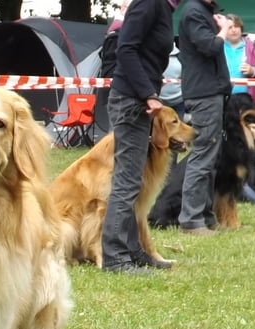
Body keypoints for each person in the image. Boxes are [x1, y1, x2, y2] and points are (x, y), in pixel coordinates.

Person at [100, 0, 181, 274]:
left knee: (133, 182)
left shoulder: (165, 7)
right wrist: (148, 93)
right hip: (131, 101)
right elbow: (125, 48)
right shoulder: (149, 3)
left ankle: (133, 250)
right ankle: (115, 257)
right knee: (127, 182)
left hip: (138, 101)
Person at [177, 0, 232, 236]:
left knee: (210, 157)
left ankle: (206, 217)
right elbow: (209, 46)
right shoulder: (194, 12)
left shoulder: (203, 11)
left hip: (210, 92)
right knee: (202, 156)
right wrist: (224, 30)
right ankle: (191, 220)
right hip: (204, 94)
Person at [223, 14, 255, 106]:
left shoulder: (254, 48)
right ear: (223, 30)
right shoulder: (217, 48)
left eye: (236, 26)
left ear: (241, 28)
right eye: (230, 27)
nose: (234, 30)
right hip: (224, 98)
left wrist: (253, 71)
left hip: (249, 99)